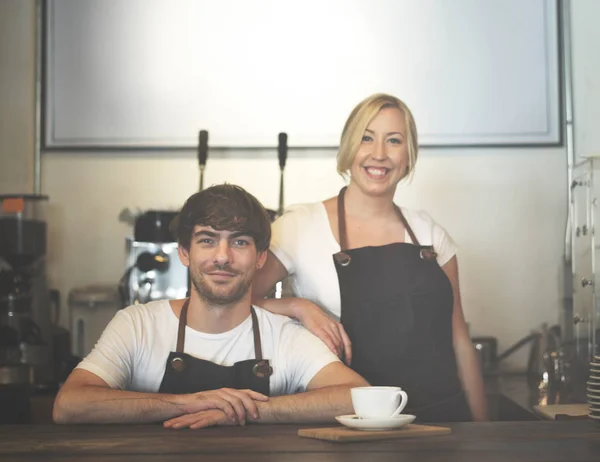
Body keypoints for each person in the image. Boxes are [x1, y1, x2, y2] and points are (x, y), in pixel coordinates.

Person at [252, 93, 488, 422]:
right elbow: (235, 303)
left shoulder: (429, 233)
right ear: (349, 147)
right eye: (367, 138)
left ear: (408, 156)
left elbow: (459, 338)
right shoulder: (300, 226)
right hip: (351, 424)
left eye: (394, 140)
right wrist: (296, 307)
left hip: (443, 422)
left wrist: (483, 431)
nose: (379, 154)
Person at [53, 184, 368, 429]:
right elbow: (70, 404)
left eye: (239, 242)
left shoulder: (285, 337)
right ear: (185, 253)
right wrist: (189, 403)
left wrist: (251, 410)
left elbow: (359, 398)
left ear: (260, 257)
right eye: (207, 240)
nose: (222, 256)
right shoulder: (138, 325)